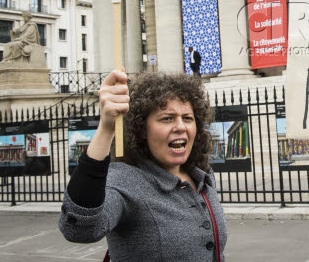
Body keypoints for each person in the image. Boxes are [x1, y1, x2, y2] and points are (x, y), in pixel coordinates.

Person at [59, 70, 227, 261]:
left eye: (187, 118)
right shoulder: (125, 180)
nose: (181, 126)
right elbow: (80, 229)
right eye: (167, 118)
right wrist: (106, 130)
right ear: (141, 129)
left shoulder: (203, 176)